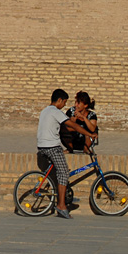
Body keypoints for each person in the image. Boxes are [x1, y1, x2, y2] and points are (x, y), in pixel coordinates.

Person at [36, 88, 95, 219]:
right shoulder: (56, 112)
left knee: (58, 172)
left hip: (41, 147)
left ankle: (65, 196)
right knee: (63, 173)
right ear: (59, 100)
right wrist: (89, 134)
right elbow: (73, 126)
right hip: (52, 147)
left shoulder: (45, 111)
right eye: (64, 102)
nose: (64, 105)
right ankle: (61, 206)